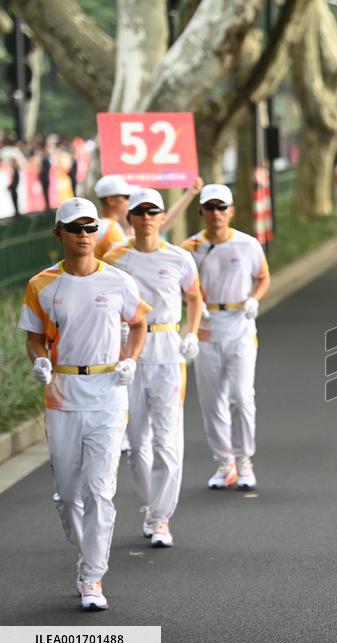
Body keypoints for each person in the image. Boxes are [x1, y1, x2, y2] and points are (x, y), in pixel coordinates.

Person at [19, 197, 151, 611]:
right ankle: (88, 551)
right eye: (75, 228)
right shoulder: (42, 284)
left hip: (108, 392)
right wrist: (40, 359)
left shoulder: (118, 281)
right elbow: (34, 334)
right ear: (59, 233)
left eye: (90, 228)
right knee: (67, 494)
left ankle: (93, 575)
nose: (84, 235)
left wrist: (130, 358)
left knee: (100, 490)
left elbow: (140, 322)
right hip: (62, 395)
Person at [103, 189, 202, 548]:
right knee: (136, 443)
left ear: (162, 217)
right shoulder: (115, 257)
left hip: (166, 351)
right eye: (139, 212)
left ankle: (161, 518)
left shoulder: (179, 258)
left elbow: (194, 297)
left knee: (167, 440)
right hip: (128, 354)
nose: (146, 218)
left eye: (153, 212)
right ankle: (150, 506)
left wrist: (190, 333)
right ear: (129, 218)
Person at [181, 184, 270, 490]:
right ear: (201, 212)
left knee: (241, 396)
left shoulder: (247, 245)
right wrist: (194, 306)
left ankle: (245, 460)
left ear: (231, 211)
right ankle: (224, 463)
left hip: (240, 326)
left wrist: (254, 299)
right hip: (206, 328)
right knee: (211, 400)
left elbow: (263, 277)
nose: (216, 214)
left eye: (222, 208)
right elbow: (180, 288)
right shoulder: (189, 248)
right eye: (210, 208)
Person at [93, 175, 133, 259]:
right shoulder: (111, 229)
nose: (128, 201)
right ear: (111, 200)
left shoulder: (99, 226)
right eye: (126, 197)